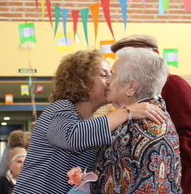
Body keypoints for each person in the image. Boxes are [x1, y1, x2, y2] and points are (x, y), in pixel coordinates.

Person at [12, 49, 165, 194]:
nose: (110, 81)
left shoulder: (94, 123)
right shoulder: (60, 109)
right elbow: (73, 138)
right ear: (81, 80)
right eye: (104, 74)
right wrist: (127, 111)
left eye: (111, 75)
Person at [92, 47, 182, 193]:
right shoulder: (133, 116)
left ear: (131, 87)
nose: (108, 81)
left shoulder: (150, 125)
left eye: (112, 75)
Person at [110, 34, 191, 194]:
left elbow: (187, 134)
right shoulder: (131, 97)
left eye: (134, 55)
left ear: (154, 54)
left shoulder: (173, 84)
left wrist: (163, 165)